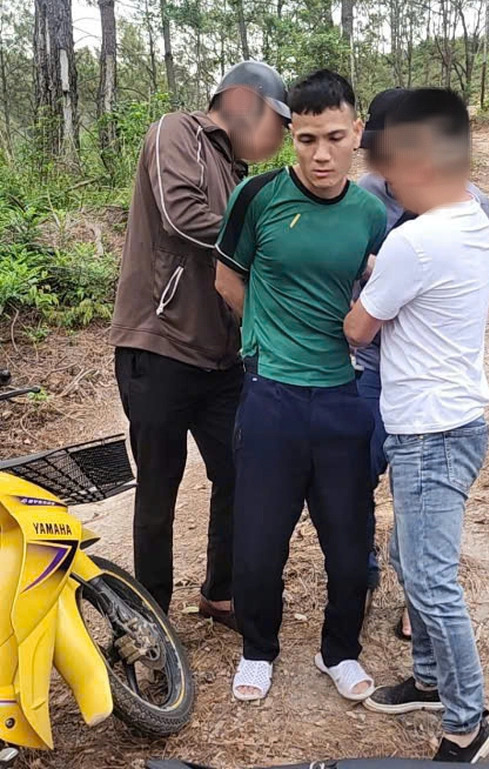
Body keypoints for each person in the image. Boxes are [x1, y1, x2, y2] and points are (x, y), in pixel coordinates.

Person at [214, 70, 387, 702]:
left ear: (356, 133)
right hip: (272, 396)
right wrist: (261, 340)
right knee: (259, 542)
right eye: (308, 139)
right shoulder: (257, 196)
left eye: (335, 138)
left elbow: (379, 286)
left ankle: (339, 651)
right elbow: (227, 278)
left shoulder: (370, 215)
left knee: (349, 545)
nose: (321, 155)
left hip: (342, 395)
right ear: (293, 137)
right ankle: (258, 649)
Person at [344, 88, 489, 762]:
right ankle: (431, 680)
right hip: (451, 423)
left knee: (431, 581)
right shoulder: (472, 217)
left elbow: (359, 327)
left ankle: (468, 721)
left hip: (429, 432)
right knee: (410, 560)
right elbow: (412, 282)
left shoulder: (415, 239)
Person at [109, 61, 290, 621]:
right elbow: (180, 215)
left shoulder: (238, 175)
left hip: (220, 358)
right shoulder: (177, 131)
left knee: (239, 469)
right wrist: (264, 239)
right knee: (159, 486)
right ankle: (152, 614)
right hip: (158, 345)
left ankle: (221, 590)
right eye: (280, 123)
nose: (283, 137)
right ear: (244, 103)